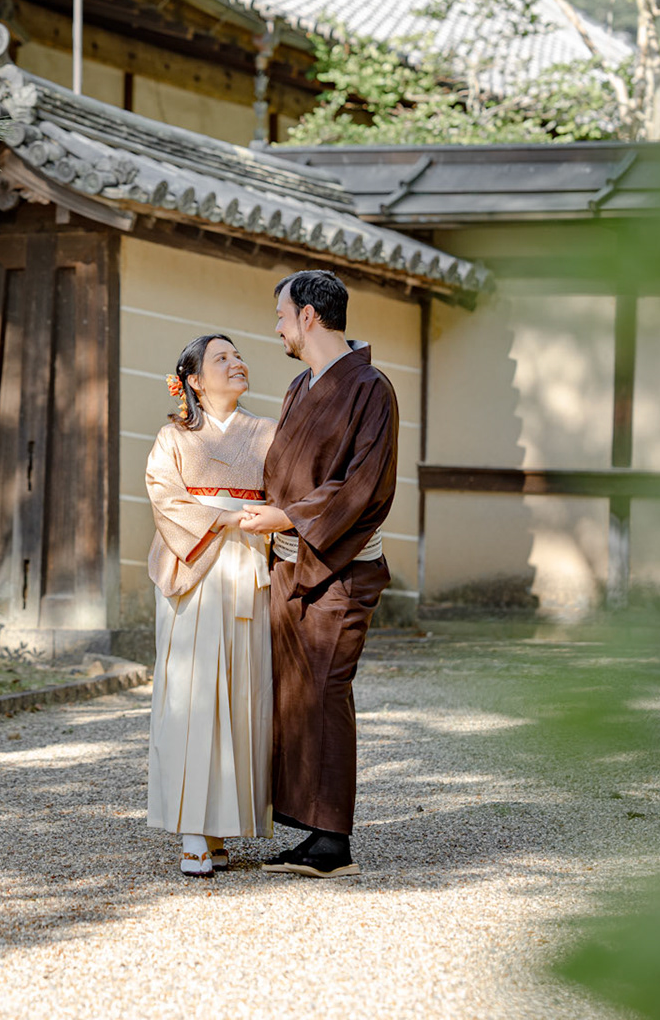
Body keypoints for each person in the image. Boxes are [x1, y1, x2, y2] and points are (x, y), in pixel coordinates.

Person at [240, 270, 398, 880]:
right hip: (291, 562)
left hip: (340, 565)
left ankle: (334, 842)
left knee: (327, 688)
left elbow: (363, 484)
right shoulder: (299, 387)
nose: (277, 328)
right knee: (298, 692)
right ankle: (313, 831)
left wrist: (286, 516)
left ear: (308, 316)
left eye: (281, 316)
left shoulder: (371, 388)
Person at [144, 333, 277, 878]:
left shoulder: (268, 432)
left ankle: (222, 824)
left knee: (244, 692)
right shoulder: (173, 437)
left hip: (248, 563)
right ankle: (192, 828)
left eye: (237, 355)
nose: (236, 363)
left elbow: (288, 492)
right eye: (222, 358)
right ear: (194, 381)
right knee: (193, 694)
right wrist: (223, 517)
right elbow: (164, 497)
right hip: (194, 566)